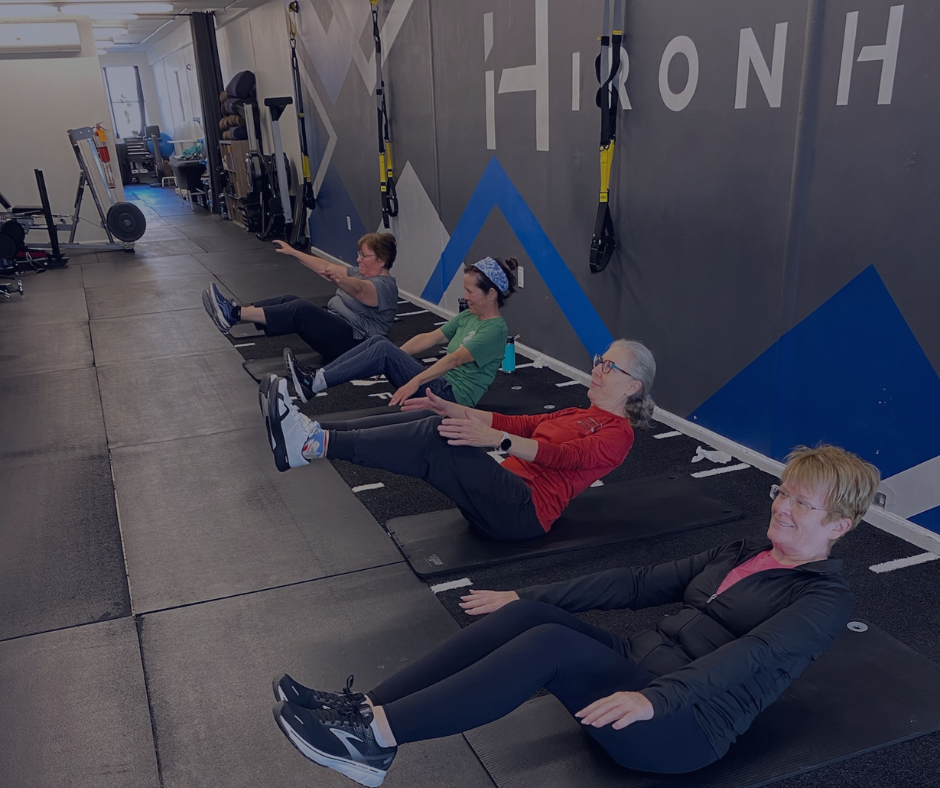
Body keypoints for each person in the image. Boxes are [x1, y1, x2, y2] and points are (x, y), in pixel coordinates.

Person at [270, 444, 880, 787]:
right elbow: (637, 582)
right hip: (634, 674)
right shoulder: (743, 552)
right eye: (782, 492)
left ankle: (377, 740)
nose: (784, 507)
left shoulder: (824, 600)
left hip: (682, 726)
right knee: (531, 623)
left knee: (550, 649)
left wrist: (656, 700)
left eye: (804, 503)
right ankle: (364, 710)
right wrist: (526, 598)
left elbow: (753, 658)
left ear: (840, 524)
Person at [260, 339, 656, 541]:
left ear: (632, 385)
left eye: (609, 365)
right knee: (432, 419)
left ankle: (311, 444)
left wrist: (494, 440)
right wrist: (454, 410)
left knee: (435, 437)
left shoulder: (618, 433)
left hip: (522, 513)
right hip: (504, 494)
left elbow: (561, 457)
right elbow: (519, 422)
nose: (598, 368)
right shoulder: (579, 411)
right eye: (599, 361)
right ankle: (310, 436)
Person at [284, 256, 517, 407]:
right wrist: (394, 356)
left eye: (470, 291)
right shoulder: (469, 316)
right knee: (379, 343)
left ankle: (313, 383)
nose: (465, 297)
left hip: (452, 398)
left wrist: (414, 381)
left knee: (383, 349)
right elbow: (429, 338)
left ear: (492, 294)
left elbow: (454, 359)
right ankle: (315, 380)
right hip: (440, 384)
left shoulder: (494, 330)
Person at [202, 233, 398, 363]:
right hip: (339, 332)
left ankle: (232, 313)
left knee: (301, 309)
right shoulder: (359, 272)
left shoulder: (385, 287)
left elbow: (360, 290)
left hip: (357, 345)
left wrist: (341, 281)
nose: (358, 259)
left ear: (380, 260)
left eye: (364, 256)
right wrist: (293, 252)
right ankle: (234, 314)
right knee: (289, 299)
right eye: (359, 254)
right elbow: (324, 267)